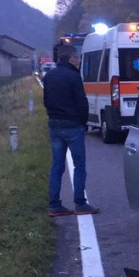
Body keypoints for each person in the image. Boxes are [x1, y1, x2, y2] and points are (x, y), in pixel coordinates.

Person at [42, 44, 99, 216]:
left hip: (54, 124)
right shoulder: (74, 77)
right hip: (72, 125)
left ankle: (54, 205)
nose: (79, 60)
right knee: (79, 165)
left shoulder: (49, 76)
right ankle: (80, 203)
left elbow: (46, 100)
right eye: (78, 58)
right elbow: (82, 103)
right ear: (72, 58)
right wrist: (82, 123)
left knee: (57, 166)